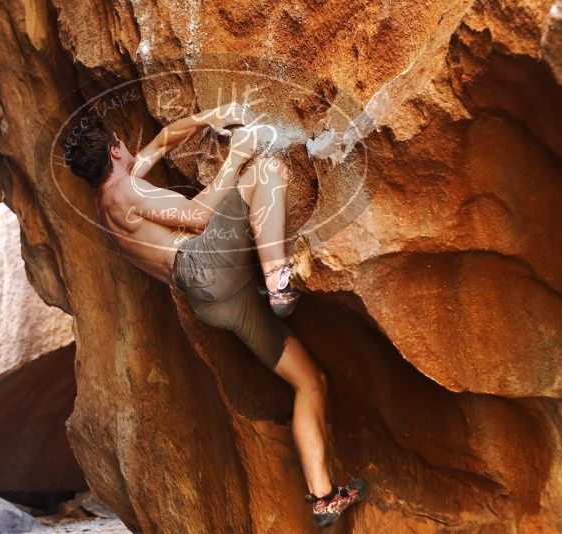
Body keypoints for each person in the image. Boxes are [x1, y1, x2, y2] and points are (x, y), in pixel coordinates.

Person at [63, 103, 368, 527]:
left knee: (309, 381)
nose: (130, 148)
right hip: (205, 267)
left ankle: (323, 496)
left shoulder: (109, 198)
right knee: (268, 172)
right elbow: (199, 217)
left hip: (212, 302)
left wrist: (207, 118)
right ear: (115, 151)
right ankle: (278, 277)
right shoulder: (128, 192)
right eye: (122, 143)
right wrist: (238, 155)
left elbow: (161, 142)